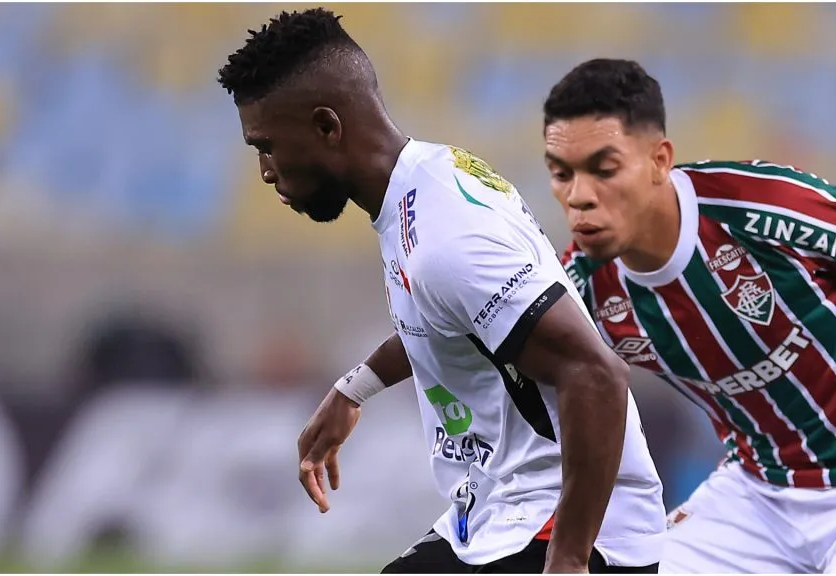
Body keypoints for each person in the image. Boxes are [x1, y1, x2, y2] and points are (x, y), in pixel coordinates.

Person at [217, 9, 666, 574]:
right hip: (497, 512)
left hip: (568, 525)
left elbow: (596, 374)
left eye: (267, 146)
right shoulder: (428, 181)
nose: (264, 170)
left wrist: (570, 560)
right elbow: (453, 317)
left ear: (327, 128)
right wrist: (354, 389)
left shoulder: (445, 237)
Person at [545, 58, 836, 574]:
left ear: (659, 161)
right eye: (563, 174)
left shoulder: (760, 206)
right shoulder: (582, 290)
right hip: (758, 495)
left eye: (604, 169)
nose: (580, 196)